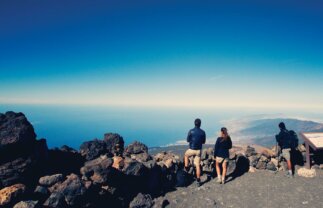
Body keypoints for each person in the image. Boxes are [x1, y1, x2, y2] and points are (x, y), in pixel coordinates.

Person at [184, 118, 206, 186]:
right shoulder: (203, 132)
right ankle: (198, 180)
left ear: (194, 123)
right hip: (198, 151)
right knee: (197, 165)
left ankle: (187, 167)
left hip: (191, 149)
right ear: (200, 124)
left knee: (186, 155)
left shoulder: (191, 131)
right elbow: (203, 142)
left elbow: (187, 140)